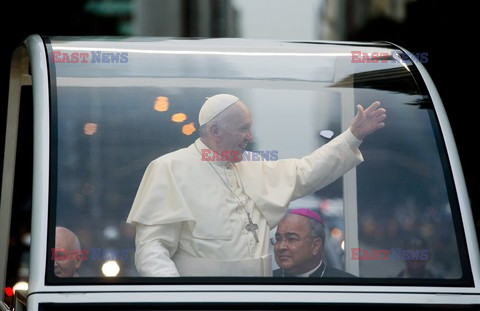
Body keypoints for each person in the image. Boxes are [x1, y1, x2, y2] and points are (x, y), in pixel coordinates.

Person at [126, 94, 386, 276]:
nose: (251, 137)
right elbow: (152, 248)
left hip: (259, 298)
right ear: (215, 131)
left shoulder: (254, 163)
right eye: (243, 129)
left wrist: (353, 136)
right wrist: (176, 299)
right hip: (200, 303)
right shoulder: (169, 168)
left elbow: (306, 171)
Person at [273, 208, 354, 277]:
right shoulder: (265, 281)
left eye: (291, 239)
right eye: (278, 239)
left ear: (315, 246)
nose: (281, 247)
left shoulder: (346, 284)